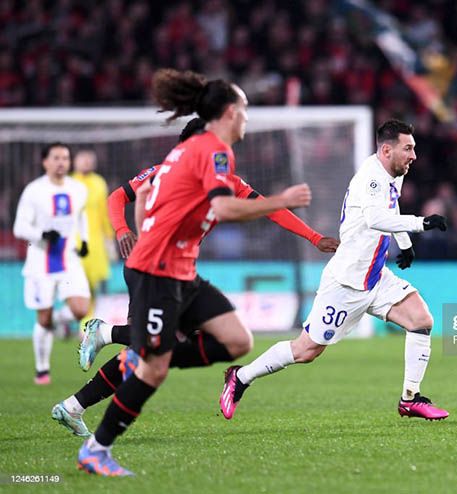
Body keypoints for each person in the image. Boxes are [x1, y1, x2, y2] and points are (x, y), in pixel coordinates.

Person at [76, 68, 312, 476]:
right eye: (245, 110)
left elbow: (155, 200)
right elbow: (222, 208)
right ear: (228, 113)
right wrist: (279, 200)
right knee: (154, 368)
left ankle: (152, 355)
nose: (248, 119)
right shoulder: (212, 151)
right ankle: (97, 448)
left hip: (181, 269)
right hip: (158, 270)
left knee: (237, 340)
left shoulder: (190, 152)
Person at [52, 117, 338, 438]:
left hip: (179, 272)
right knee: (155, 349)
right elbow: (117, 197)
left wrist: (314, 238)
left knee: (153, 350)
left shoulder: (225, 180)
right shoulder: (168, 173)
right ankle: (103, 339)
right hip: (152, 269)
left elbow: (269, 211)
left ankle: (76, 404)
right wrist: (122, 230)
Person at [219, 119, 450, 422]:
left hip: (376, 276)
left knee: (421, 320)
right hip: (346, 283)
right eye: (408, 148)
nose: (413, 155)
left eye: (414, 149)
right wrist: (421, 224)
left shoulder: (394, 172)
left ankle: (410, 399)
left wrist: (404, 243)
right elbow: (376, 219)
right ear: (386, 149)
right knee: (306, 351)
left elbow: (391, 210)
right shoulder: (371, 177)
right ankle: (242, 377)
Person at [13, 142, 91, 385]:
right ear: (45, 162)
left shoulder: (78, 188)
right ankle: (42, 369)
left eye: (65, 158)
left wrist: (85, 239)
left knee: (80, 309)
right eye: (56, 158)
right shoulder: (33, 191)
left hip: (69, 257)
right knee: (43, 319)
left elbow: (81, 216)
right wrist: (41, 235)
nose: (61, 163)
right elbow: (19, 227)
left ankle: (63, 325)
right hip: (40, 261)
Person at [71, 149, 115, 334]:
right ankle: (67, 320)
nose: (87, 163)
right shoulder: (69, 183)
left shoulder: (99, 182)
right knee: (77, 285)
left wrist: (110, 240)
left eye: (90, 160)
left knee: (94, 285)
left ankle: (86, 326)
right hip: (75, 240)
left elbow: (105, 213)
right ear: (75, 162)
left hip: (96, 241)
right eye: (83, 160)